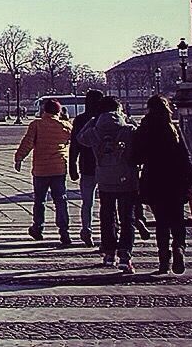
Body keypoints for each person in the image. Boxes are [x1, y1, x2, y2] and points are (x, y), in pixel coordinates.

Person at [132, 95, 192, 275]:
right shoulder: (172, 128)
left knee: (161, 223)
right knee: (177, 220)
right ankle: (179, 248)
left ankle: (163, 260)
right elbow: (184, 156)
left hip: (154, 179)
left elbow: (135, 157)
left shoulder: (144, 129)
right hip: (175, 179)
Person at [77, 96, 139, 273]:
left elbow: (81, 138)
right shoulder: (127, 128)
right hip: (126, 178)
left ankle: (109, 252)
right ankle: (125, 254)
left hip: (104, 178)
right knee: (127, 218)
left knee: (107, 216)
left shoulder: (95, 129)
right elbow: (139, 139)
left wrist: (92, 121)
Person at [14, 97, 73, 245]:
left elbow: (27, 142)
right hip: (59, 168)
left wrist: (19, 157)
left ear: (44, 110)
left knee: (40, 201)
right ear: (59, 111)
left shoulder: (36, 125)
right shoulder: (65, 126)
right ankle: (64, 231)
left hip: (41, 169)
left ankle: (38, 228)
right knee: (61, 200)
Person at [68, 89, 105, 247]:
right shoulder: (104, 120)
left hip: (86, 165)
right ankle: (109, 232)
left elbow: (74, 145)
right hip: (105, 166)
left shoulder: (80, 120)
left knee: (87, 202)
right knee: (107, 203)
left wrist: (72, 166)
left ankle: (86, 230)